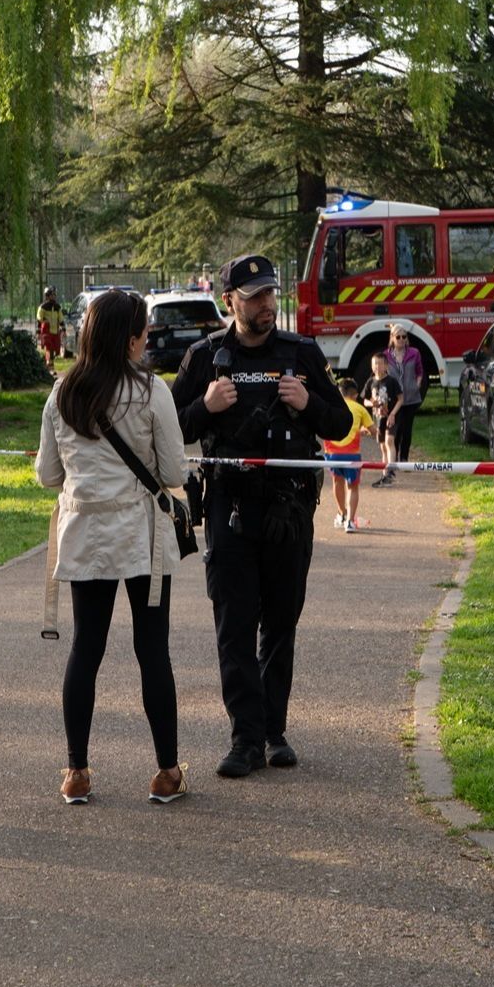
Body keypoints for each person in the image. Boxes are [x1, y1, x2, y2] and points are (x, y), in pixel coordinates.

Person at [171, 254, 350, 779]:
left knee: (280, 620)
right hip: (229, 506)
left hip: (289, 507)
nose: (267, 306)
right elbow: (171, 429)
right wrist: (206, 406)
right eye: (254, 297)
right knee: (233, 623)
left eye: (271, 295)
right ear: (231, 301)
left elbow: (339, 423)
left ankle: (274, 731)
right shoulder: (206, 357)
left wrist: (308, 403)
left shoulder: (301, 353)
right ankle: (244, 738)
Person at [35, 289, 188, 804]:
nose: (147, 342)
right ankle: (167, 772)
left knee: (86, 650)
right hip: (140, 536)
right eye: (144, 333)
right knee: (153, 652)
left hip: (85, 534)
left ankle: (76, 771)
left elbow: (46, 475)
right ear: (129, 338)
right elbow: (172, 472)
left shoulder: (62, 394)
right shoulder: (151, 392)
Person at [321, 379, 374, 533]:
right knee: (353, 487)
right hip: (352, 455)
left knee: (337, 482)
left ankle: (342, 513)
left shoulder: (331, 406)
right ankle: (350, 521)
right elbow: (374, 431)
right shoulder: (359, 408)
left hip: (332, 453)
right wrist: (363, 430)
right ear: (355, 395)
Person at [379, 325, 426, 481]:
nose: (401, 340)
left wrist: (417, 385)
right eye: (398, 337)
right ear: (392, 338)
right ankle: (394, 458)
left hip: (411, 398)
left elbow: (420, 371)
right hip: (394, 400)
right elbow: (381, 374)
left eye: (404, 337)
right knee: (395, 430)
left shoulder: (414, 353)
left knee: (407, 429)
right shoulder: (386, 356)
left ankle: (404, 459)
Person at [364, 353, 404, 488]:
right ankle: (384, 473)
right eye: (375, 363)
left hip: (391, 417)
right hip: (378, 418)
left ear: (386, 366)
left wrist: (393, 413)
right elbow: (365, 400)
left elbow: (401, 399)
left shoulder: (391, 381)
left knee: (389, 441)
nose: (377, 366)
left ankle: (391, 471)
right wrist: (372, 404)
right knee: (382, 447)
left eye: (380, 363)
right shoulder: (370, 382)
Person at [36, 286, 65, 370]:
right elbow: (39, 318)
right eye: (52, 295)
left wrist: (63, 329)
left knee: (56, 348)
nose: (54, 297)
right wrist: (38, 332)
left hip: (55, 331)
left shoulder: (57, 307)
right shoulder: (43, 307)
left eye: (55, 295)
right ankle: (49, 366)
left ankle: (48, 363)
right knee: (49, 347)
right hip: (46, 331)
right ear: (47, 296)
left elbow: (61, 319)